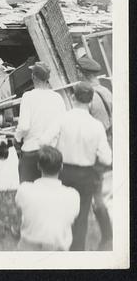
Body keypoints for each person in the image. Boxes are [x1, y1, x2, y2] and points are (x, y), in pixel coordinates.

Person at [54, 81, 112, 251]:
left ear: (73, 97)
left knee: (62, 213)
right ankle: (77, 253)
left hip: (63, 172)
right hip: (86, 175)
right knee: (81, 216)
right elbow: (107, 158)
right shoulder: (96, 126)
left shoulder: (62, 119)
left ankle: (58, 249)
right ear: (91, 101)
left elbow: (49, 142)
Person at [14, 146, 80, 251]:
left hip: (28, 249)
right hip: (58, 252)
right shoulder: (73, 195)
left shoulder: (24, 189)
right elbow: (72, 220)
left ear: (39, 166)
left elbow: (19, 211)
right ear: (61, 167)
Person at [14, 62, 67, 182]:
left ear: (33, 76)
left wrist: (16, 138)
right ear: (48, 78)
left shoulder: (28, 96)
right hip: (51, 153)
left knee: (28, 192)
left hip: (31, 151)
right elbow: (62, 125)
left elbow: (24, 126)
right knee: (50, 192)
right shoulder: (57, 98)